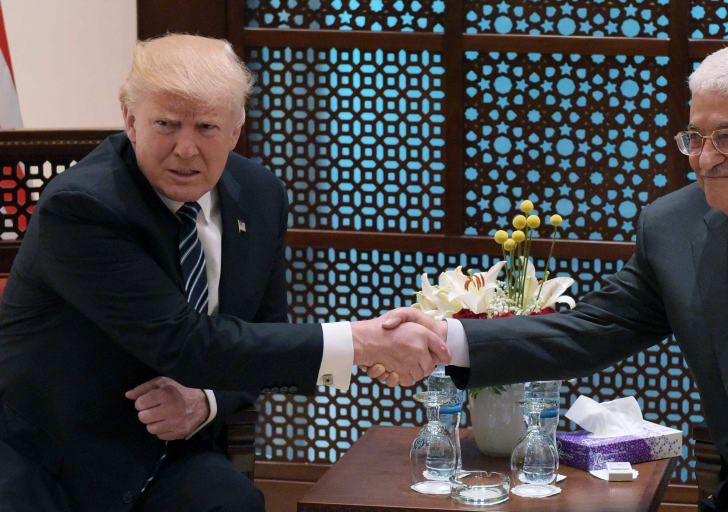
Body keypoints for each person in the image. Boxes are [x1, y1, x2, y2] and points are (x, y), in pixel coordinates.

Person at [383, 43, 728, 511]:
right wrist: (444, 338)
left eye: (727, 138)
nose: (704, 159)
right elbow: (590, 329)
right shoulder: (675, 227)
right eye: (694, 138)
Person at [0, 34, 448, 512]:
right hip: (53, 457)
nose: (186, 148)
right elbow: (186, 342)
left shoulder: (260, 195)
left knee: (233, 502)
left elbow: (261, 334)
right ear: (131, 121)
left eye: (207, 127)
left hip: (168, 453)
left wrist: (207, 401)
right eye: (166, 125)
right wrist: (361, 343)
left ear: (236, 130)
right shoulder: (83, 208)